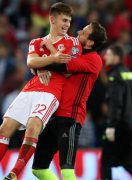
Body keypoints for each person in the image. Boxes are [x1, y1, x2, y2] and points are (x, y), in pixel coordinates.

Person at [0, 2, 81, 180]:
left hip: (51, 92)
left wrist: (45, 62)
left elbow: (67, 69)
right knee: (5, 127)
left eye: (69, 21)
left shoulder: (73, 43)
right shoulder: (36, 41)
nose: (67, 24)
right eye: (64, 20)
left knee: (33, 127)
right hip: (30, 88)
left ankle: (14, 174)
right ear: (52, 19)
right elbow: (31, 62)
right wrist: (47, 63)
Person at [31, 22, 107, 180]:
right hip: (54, 115)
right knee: (38, 169)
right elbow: (55, 63)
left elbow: (63, 65)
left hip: (71, 117)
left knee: (66, 170)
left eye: (84, 32)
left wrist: (51, 49)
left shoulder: (94, 60)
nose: (78, 32)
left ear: (91, 42)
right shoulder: (76, 51)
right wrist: (40, 67)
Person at [101, 45, 132, 180]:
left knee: (105, 162)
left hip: (119, 126)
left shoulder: (115, 76)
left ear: (117, 58)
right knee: (128, 163)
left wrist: (111, 125)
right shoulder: (130, 73)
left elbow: (115, 103)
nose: (105, 56)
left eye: (109, 54)